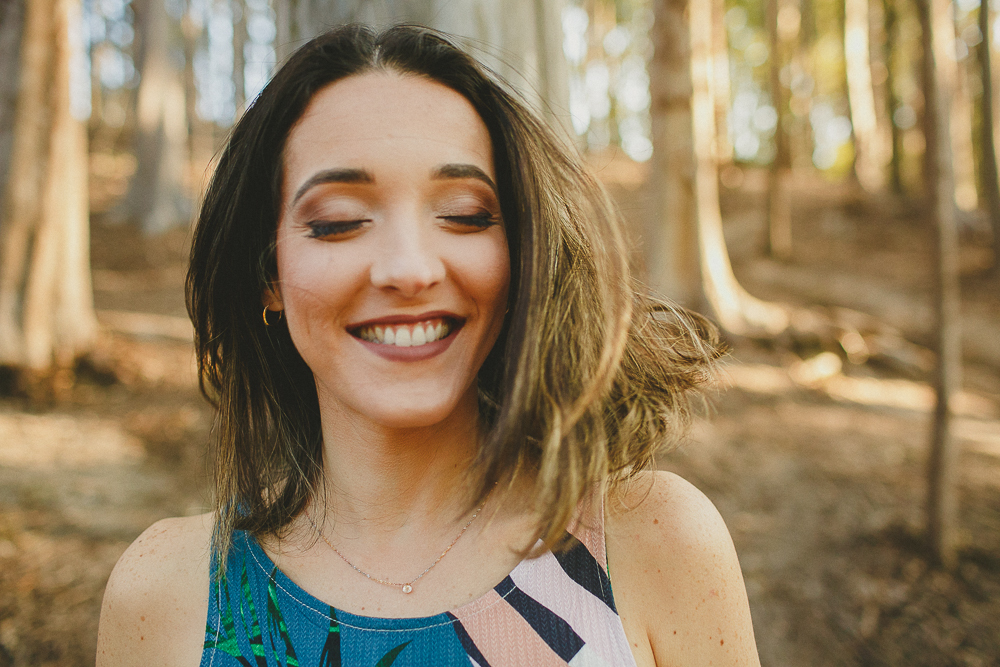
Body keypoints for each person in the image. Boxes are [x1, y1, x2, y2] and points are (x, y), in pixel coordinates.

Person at [96, 24, 760, 667]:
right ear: (267, 273)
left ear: (521, 252)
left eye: (465, 215)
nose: (410, 268)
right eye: (338, 222)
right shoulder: (167, 593)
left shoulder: (654, 542)